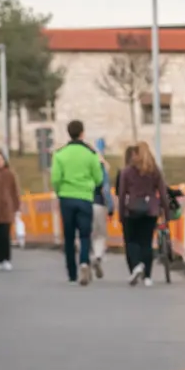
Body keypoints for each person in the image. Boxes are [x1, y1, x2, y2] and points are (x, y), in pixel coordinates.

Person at [50, 120, 104, 286]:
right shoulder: (90, 154)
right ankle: (84, 262)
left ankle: (72, 274)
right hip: (85, 198)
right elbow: (99, 178)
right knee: (85, 235)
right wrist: (91, 186)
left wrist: (59, 191)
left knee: (69, 236)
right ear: (82, 133)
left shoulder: (60, 154)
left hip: (66, 198)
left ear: (68, 133)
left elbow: (55, 178)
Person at [118, 141, 170, 287]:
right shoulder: (155, 171)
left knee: (132, 241)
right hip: (150, 210)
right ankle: (148, 276)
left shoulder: (126, 172)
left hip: (132, 209)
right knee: (146, 242)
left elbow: (122, 194)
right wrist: (166, 212)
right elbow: (163, 193)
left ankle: (136, 266)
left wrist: (121, 214)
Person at [90, 153, 114, 279]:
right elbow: (105, 189)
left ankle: (87, 259)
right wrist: (110, 207)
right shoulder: (101, 168)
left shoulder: (82, 167)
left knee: (86, 234)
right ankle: (98, 256)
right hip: (99, 204)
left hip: (83, 203)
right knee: (100, 235)